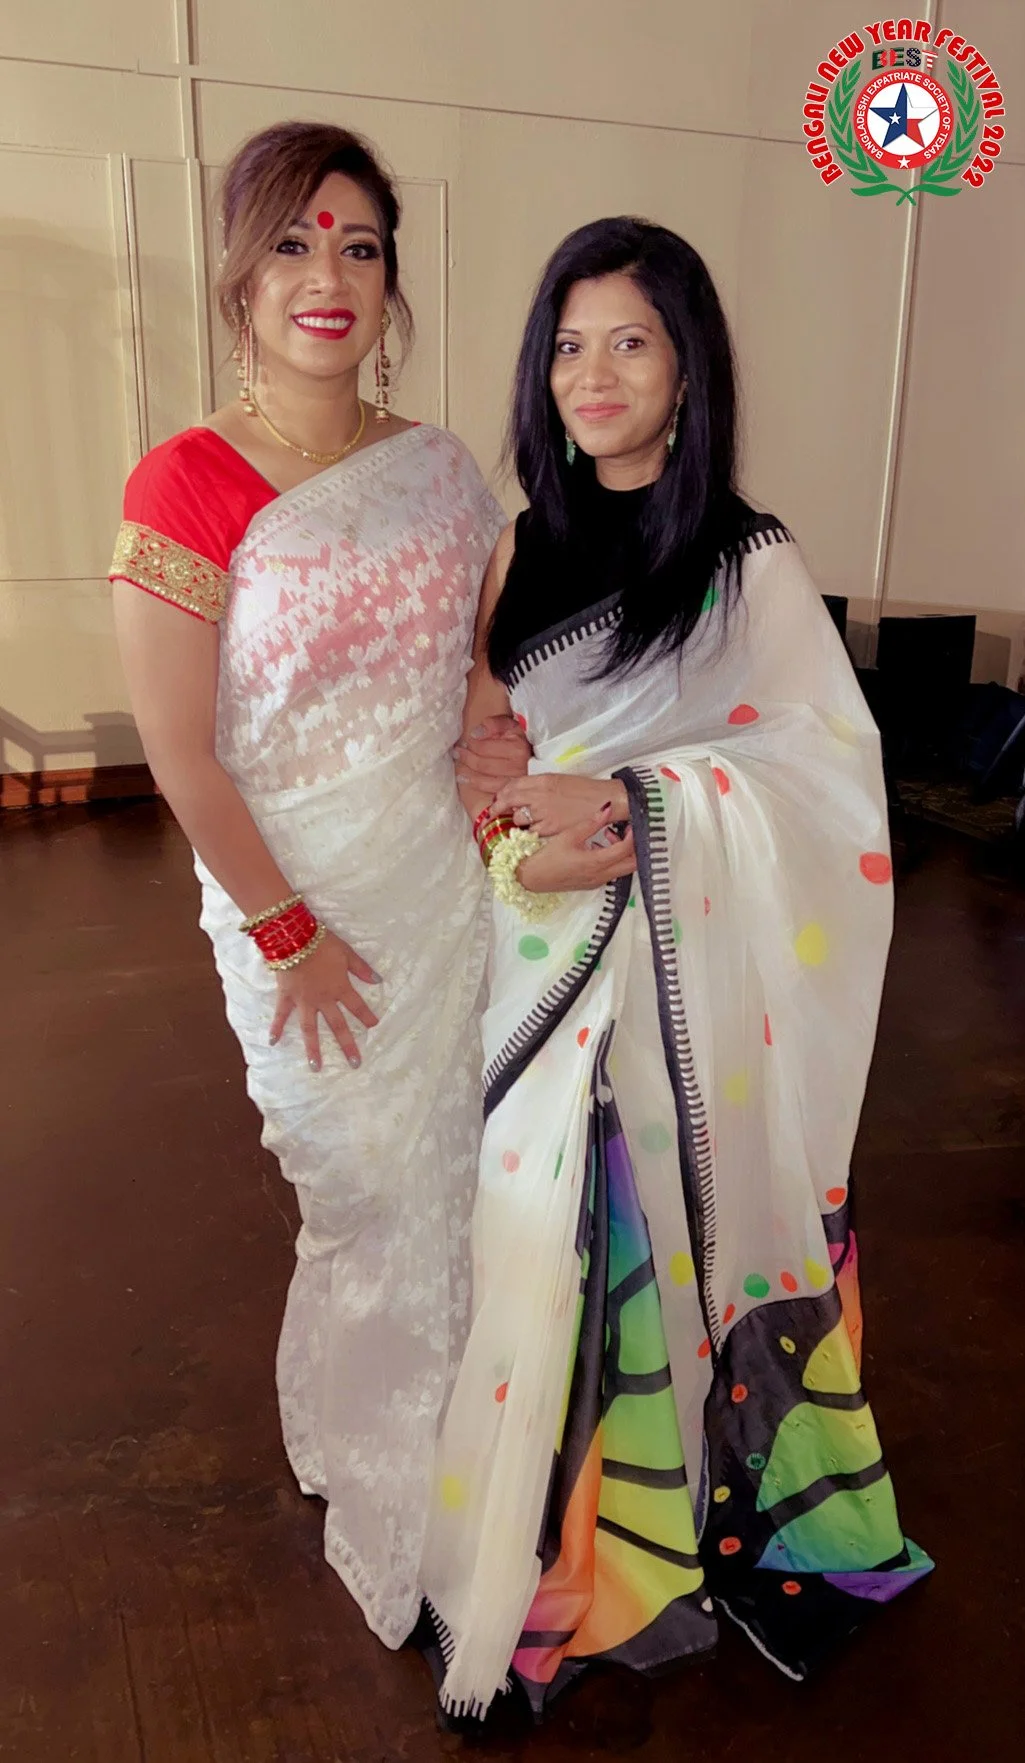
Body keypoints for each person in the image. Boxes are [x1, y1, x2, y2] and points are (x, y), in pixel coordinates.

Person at [420, 217, 932, 1720]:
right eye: (569, 346)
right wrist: (509, 833)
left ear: (688, 367)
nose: (594, 375)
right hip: (540, 942)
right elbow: (486, 738)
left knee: (648, 1228)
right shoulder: (523, 544)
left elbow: (827, 781)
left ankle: (662, 1531)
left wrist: (638, 805)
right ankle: (556, 1535)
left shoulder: (746, 559)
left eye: (630, 342)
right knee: (538, 1236)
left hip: (684, 962)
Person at [109, 120, 525, 1649]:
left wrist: (498, 744)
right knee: (356, 1189)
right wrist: (289, 932)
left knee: (443, 1192)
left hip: (441, 891)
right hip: (290, 905)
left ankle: (422, 1472)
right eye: (291, 242)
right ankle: (388, 1492)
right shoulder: (186, 481)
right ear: (241, 276)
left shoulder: (439, 473)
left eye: (357, 245)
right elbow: (180, 753)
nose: (326, 275)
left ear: (392, 279)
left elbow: (478, 672)